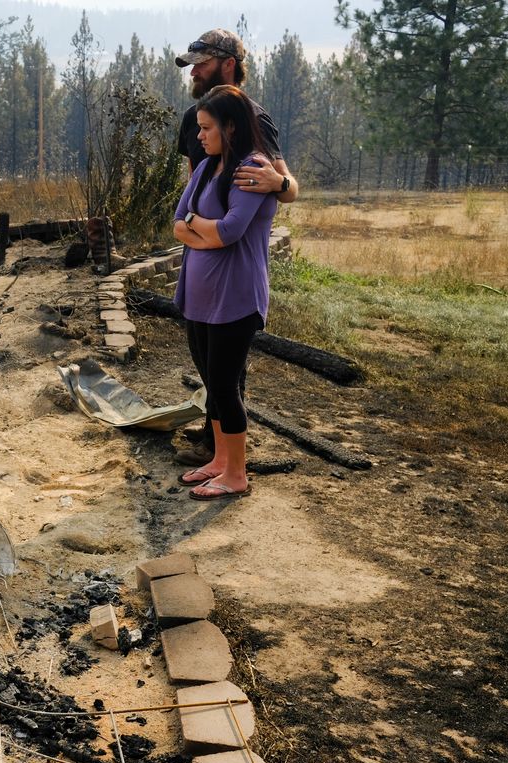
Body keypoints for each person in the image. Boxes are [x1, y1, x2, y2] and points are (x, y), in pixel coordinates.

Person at [173, 29, 298, 467]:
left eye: (202, 62)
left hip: (234, 268)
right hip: (199, 266)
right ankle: (214, 443)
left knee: (227, 374)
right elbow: (196, 183)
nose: (194, 71)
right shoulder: (194, 119)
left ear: (228, 63)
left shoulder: (252, 121)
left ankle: (226, 454)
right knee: (208, 364)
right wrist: (195, 225)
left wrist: (280, 183)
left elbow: (282, 187)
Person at [172, 84, 277, 500]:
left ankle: (237, 474)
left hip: (235, 296)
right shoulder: (206, 169)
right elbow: (179, 223)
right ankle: (218, 461)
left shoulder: (250, 170)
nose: (198, 136)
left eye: (206, 128)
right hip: (200, 296)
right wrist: (203, 232)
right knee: (212, 383)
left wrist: (199, 229)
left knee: (226, 384)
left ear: (230, 128)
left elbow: (232, 231)